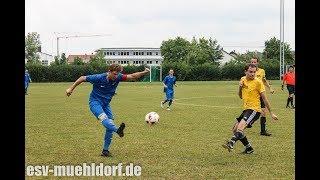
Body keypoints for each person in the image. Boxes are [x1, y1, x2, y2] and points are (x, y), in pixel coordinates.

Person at [66, 64, 150, 157]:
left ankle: (105, 151)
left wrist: (144, 72)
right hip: (95, 103)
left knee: (109, 124)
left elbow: (133, 76)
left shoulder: (118, 77)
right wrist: (71, 88)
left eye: (117, 74)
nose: (116, 76)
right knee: (105, 119)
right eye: (114, 74)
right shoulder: (98, 77)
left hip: (106, 104)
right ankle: (117, 130)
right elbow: (82, 78)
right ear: (109, 72)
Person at [222, 64, 278, 154]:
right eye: (250, 72)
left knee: (240, 128)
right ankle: (249, 148)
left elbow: (264, 99)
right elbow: (240, 96)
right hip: (246, 109)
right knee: (235, 130)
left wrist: (271, 113)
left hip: (254, 110)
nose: (253, 74)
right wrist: (240, 87)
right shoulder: (242, 79)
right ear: (246, 72)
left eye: (254, 72)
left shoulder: (258, 82)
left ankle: (231, 143)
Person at [250, 57, 274, 136]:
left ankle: (263, 131)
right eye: (252, 62)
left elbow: (264, 80)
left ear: (257, 63)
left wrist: (270, 88)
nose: (253, 63)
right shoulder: (250, 71)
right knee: (253, 111)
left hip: (261, 94)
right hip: (253, 95)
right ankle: (245, 124)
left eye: (254, 62)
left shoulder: (262, 71)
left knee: (263, 112)